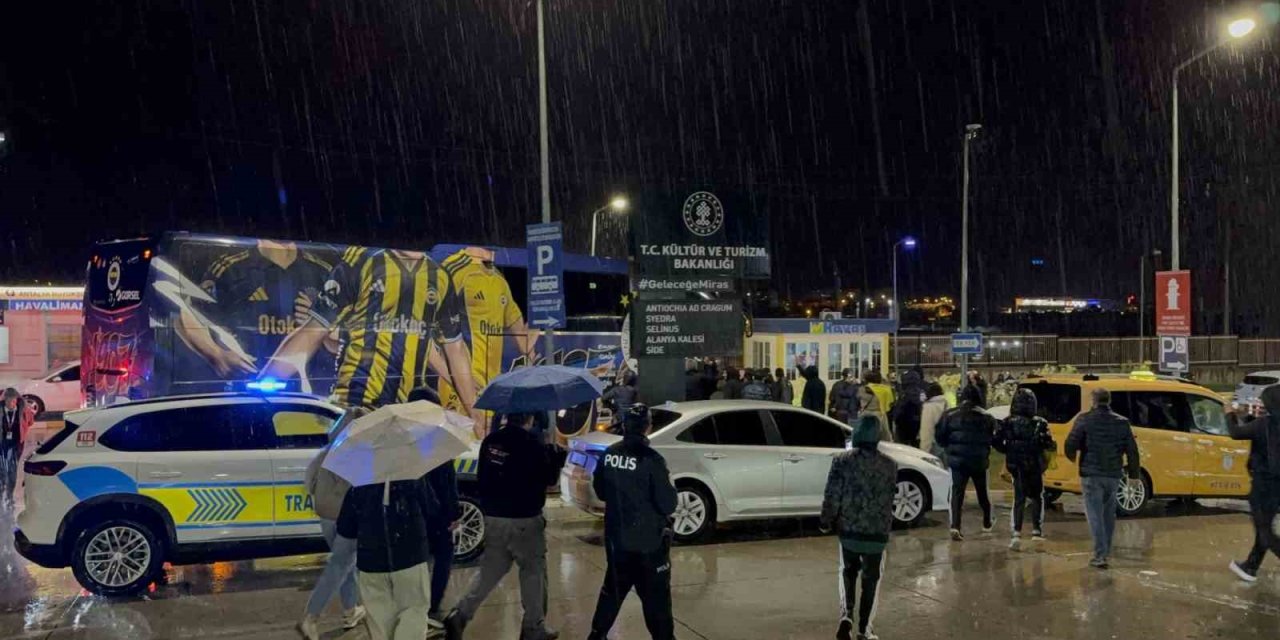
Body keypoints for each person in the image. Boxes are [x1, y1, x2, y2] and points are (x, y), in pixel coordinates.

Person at [444, 413, 563, 640]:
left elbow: (482, 478)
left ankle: (460, 615)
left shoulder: (491, 441)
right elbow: (548, 481)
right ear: (529, 418)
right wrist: (555, 461)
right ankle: (533, 628)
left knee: (490, 571)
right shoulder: (532, 445)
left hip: (494, 519)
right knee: (533, 573)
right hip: (524, 521)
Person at [587, 405, 678, 640]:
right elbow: (668, 504)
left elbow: (601, 491)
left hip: (617, 541)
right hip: (648, 545)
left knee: (612, 593)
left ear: (624, 425)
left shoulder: (609, 454)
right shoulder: (652, 460)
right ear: (648, 427)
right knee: (656, 601)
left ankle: (597, 635)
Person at [820, 415, 897, 640]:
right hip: (877, 534)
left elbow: (832, 496)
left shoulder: (842, 461)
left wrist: (826, 521)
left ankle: (847, 615)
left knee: (847, 572)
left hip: (849, 531)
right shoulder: (890, 464)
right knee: (872, 580)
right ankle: (865, 629)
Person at [336, 474, 439, 640]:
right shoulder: (413, 478)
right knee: (414, 611)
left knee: (379, 621)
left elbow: (345, 528)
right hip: (410, 559)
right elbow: (432, 511)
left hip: (372, 564)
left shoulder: (358, 485)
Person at [299, 410, 365, 640]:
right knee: (339, 566)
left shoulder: (327, 452)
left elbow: (309, 481)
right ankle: (310, 617)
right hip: (347, 519)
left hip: (325, 516)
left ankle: (350, 612)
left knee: (345, 564)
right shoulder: (362, 455)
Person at [1064, 388, 1139, 569]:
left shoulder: (1084, 419)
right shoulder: (1122, 422)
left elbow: (1070, 443)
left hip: (1091, 474)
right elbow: (1132, 450)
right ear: (1109, 400)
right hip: (1113, 474)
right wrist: (1134, 476)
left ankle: (1100, 555)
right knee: (1108, 514)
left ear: (1093, 401)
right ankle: (1105, 550)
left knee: (1094, 515)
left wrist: (1073, 456)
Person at [407, 388, 463, 629]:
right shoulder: (438, 438)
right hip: (436, 516)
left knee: (416, 561)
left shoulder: (402, 437)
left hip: (409, 514)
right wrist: (453, 513)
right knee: (443, 557)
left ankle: (414, 606)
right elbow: (447, 482)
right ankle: (431, 607)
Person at [1226, 386, 1280, 582]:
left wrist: (1230, 414)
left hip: (1262, 484)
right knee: (1264, 528)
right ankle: (1250, 567)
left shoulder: (1263, 424)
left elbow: (1235, 433)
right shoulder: (1265, 423)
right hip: (1277, 486)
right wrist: (1247, 416)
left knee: (1264, 530)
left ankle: (1251, 567)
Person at [992, 389, 1056, 550]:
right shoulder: (1040, 423)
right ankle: (1036, 530)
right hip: (1034, 463)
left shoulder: (1007, 422)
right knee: (1037, 497)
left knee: (1019, 497)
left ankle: (1016, 532)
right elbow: (1048, 443)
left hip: (1015, 464)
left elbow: (996, 440)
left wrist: (1008, 450)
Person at [935, 385, 997, 541]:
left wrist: (949, 447)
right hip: (979, 460)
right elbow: (993, 437)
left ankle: (955, 525)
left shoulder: (949, 415)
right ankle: (987, 521)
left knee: (957, 493)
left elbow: (940, 436)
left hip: (958, 461)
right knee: (982, 492)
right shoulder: (986, 417)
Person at [1, 388, 36, 505]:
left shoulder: (23, 409)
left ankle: (9, 495)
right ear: (4, 400)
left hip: (16, 444)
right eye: (9, 401)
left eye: (14, 401)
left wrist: (23, 430)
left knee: (12, 470)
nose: (12, 403)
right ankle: (2, 492)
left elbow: (30, 422)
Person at [889, 370, 925, 448]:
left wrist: (894, 418)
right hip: (918, 423)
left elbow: (899, 410)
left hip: (903, 425)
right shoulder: (921, 392)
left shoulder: (903, 394)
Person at [920, 382, 948, 458]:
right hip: (945, 446)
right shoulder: (945, 403)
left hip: (933, 447)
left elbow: (927, 430)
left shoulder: (929, 407)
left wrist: (924, 452)